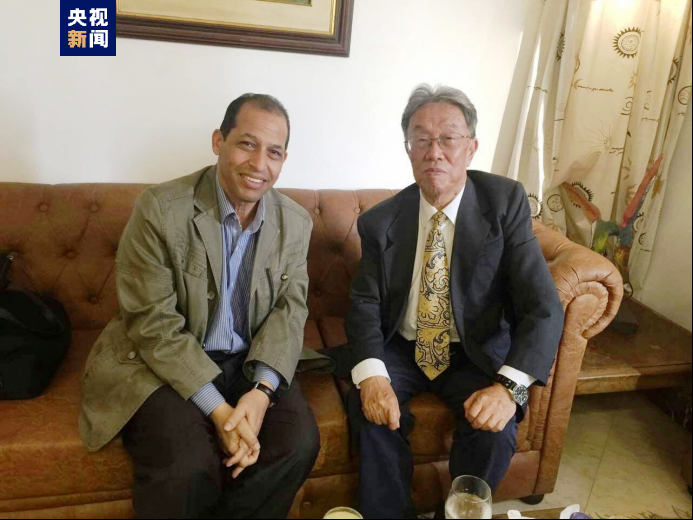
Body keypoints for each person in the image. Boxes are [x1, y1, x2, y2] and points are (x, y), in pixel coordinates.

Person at [79, 93, 330, 519]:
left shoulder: (295, 222)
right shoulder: (160, 210)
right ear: (219, 141)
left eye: (274, 152)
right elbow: (152, 323)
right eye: (247, 144)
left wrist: (262, 393)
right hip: (164, 361)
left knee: (298, 443)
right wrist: (219, 409)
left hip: (248, 359)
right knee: (188, 464)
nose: (259, 164)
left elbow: (290, 312)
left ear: (284, 159)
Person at [341, 84, 564, 518]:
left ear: (471, 147)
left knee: (494, 429)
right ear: (408, 150)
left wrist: (509, 388)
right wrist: (372, 377)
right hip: (402, 346)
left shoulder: (504, 204)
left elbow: (543, 307)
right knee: (371, 413)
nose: (434, 152)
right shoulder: (380, 221)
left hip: (474, 351)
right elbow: (364, 304)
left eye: (448, 138)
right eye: (421, 139)